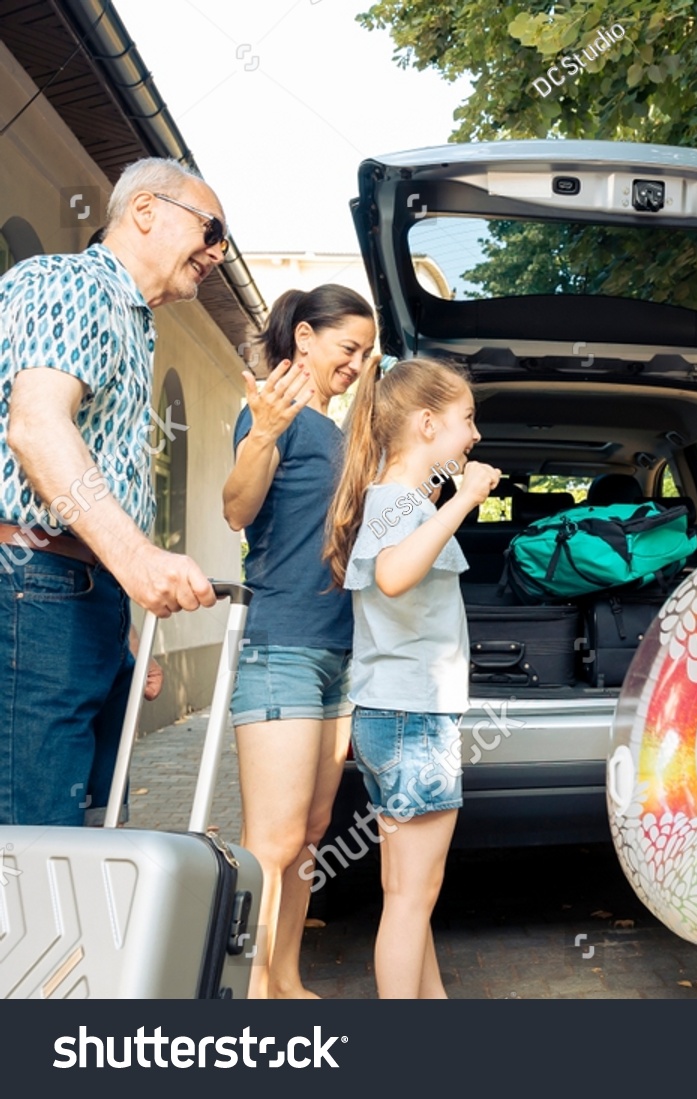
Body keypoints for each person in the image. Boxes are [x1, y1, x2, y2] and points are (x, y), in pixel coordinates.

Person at [0, 157, 223, 826]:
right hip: (33, 586)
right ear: (145, 211)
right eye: (211, 229)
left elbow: (95, 475)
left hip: (80, 595)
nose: (216, 252)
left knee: (96, 837)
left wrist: (118, 619)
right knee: (36, 843)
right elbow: (36, 429)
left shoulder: (131, 317)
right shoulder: (72, 284)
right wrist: (139, 562)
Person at [324, 357, 501, 998]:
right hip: (412, 720)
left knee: (407, 895)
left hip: (394, 716)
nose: (474, 435)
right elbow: (396, 575)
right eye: (466, 420)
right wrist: (464, 499)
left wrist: (441, 503)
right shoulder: (398, 502)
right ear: (428, 424)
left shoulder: (396, 500)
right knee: (409, 901)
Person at [222, 285, 376, 998]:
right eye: (349, 348)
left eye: (366, 353)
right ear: (306, 338)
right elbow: (235, 510)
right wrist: (259, 435)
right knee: (274, 839)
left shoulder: (340, 431)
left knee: (312, 831)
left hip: (337, 654)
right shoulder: (273, 414)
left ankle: (284, 976)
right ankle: (249, 987)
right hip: (281, 645)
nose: (356, 362)